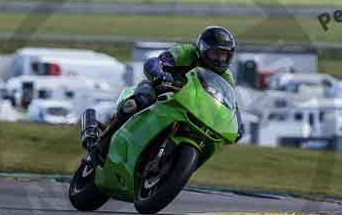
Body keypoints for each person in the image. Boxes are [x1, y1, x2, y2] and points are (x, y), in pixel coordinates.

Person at [81, 26, 244, 160]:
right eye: (216, 53)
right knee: (135, 103)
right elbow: (155, 62)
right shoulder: (186, 52)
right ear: (203, 49)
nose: (220, 59)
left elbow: (231, 104)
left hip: (191, 107)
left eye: (224, 55)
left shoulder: (226, 77)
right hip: (163, 89)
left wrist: (237, 124)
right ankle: (101, 145)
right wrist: (161, 75)